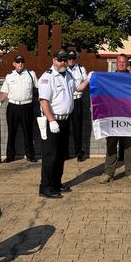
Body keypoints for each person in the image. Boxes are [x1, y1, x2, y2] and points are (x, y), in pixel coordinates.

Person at [38, 50, 92, 199]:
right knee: (50, 155)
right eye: (60, 60)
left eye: (65, 60)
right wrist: (51, 120)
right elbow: (44, 101)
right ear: (54, 60)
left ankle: (56, 183)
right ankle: (45, 187)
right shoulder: (48, 77)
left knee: (61, 155)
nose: (63, 63)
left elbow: (78, 88)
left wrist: (88, 79)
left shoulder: (68, 75)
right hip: (53, 121)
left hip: (65, 120)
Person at [100, 54, 131, 185]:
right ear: (116, 63)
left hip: (128, 116)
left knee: (129, 145)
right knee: (111, 144)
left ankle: (130, 172)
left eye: (124, 62)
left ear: (128, 64)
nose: (122, 64)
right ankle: (108, 172)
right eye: (119, 62)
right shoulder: (109, 78)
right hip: (113, 116)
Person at [0, 55, 39, 163]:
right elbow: (5, 92)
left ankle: (30, 155)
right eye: (18, 62)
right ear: (14, 64)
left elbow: (36, 88)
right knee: (12, 132)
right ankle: (10, 156)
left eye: (22, 62)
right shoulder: (9, 76)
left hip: (27, 106)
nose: (20, 64)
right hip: (13, 106)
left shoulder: (31, 74)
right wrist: (0, 102)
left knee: (28, 132)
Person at [66, 50, 89, 162]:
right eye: (69, 58)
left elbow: (85, 82)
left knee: (77, 128)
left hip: (77, 100)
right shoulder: (62, 69)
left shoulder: (81, 69)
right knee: (64, 128)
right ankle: (64, 153)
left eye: (73, 58)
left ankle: (79, 153)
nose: (71, 60)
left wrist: (79, 88)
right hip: (65, 100)